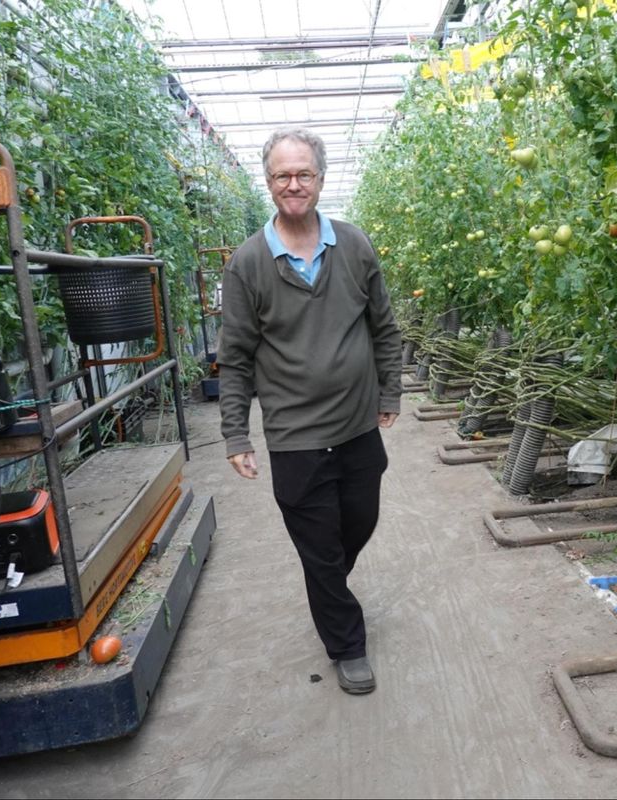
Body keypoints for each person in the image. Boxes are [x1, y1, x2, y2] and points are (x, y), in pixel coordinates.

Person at [217, 127, 402, 695]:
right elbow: (236, 355)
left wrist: (390, 393)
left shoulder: (354, 245)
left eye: (303, 174)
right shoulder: (248, 263)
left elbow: (384, 328)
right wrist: (235, 435)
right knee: (319, 549)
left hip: (356, 426)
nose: (292, 184)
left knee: (359, 523)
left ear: (320, 179)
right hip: (295, 436)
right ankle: (347, 646)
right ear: (268, 183)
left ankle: (328, 589)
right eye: (281, 175)